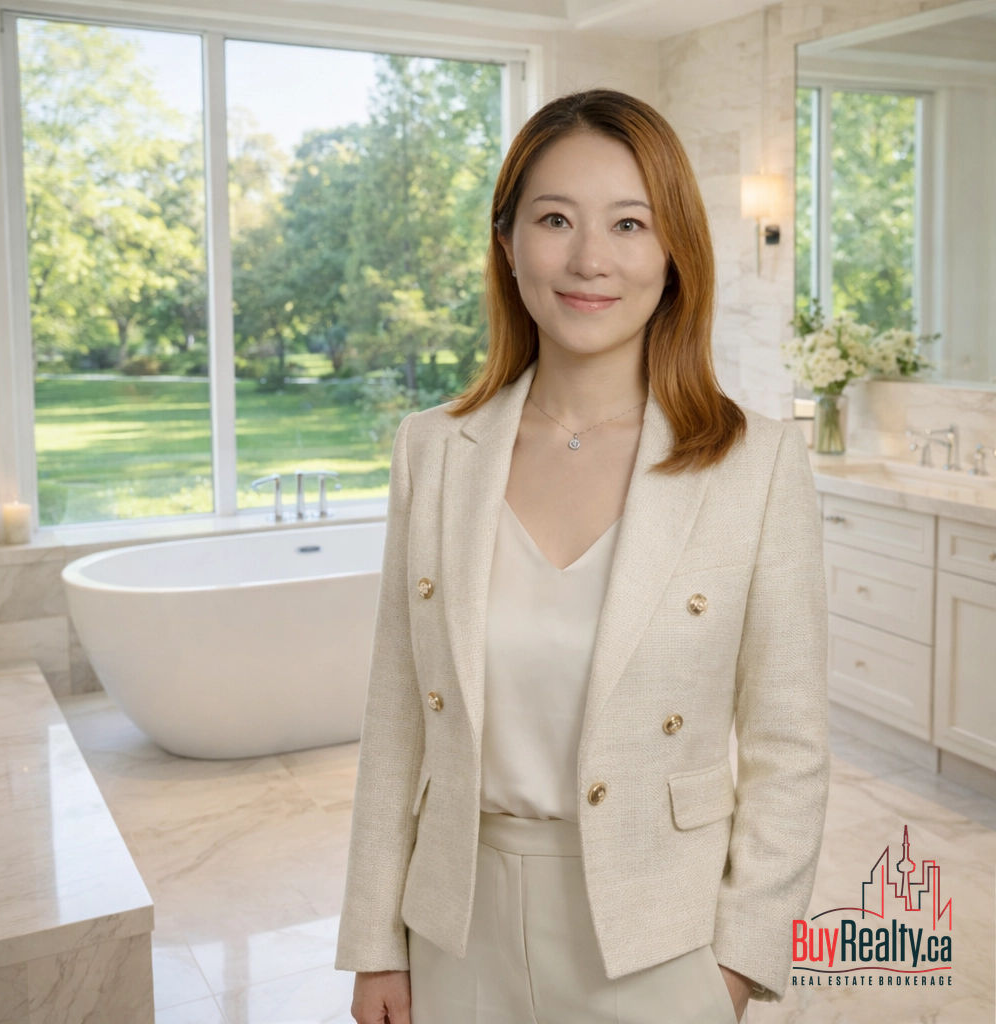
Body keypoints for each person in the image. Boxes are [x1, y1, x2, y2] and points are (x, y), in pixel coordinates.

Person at [334, 88, 829, 1024]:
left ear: (674, 249)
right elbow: (397, 710)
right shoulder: (434, 450)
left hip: (658, 938)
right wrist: (374, 944)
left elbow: (789, 745)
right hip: (455, 931)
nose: (590, 259)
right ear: (507, 241)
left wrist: (735, 967)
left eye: (630, 223)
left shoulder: (754, 464)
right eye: (555, 218)